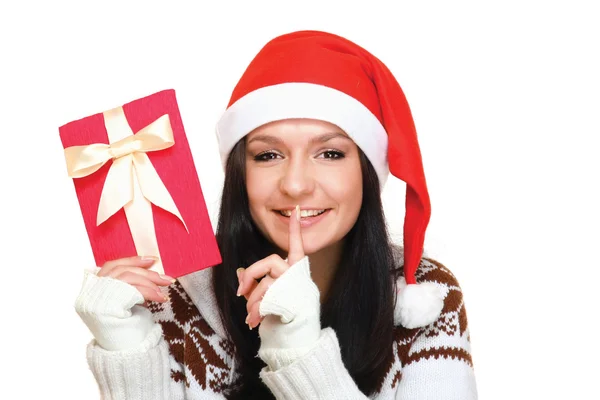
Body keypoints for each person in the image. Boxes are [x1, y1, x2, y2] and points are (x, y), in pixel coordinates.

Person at [75, 30, 478, 399]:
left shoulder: (424, 299)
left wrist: (299, 350)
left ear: (367, 172)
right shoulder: (175, 296)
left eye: (330, 153)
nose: (297, 185)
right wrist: (127, 351)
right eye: (268, 155)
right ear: (240, 173)